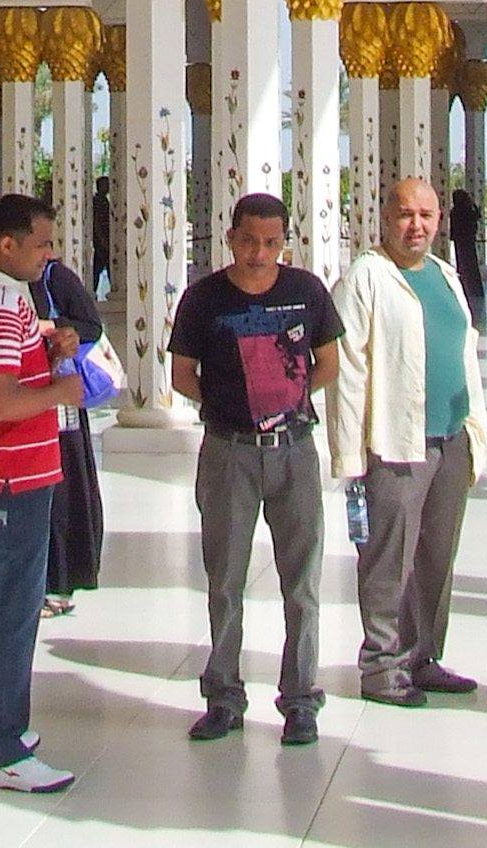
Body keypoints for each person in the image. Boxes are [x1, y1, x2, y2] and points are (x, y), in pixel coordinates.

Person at [168, 192, 342, 748]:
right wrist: (229, 405)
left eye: (270, 243)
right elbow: (181, 374)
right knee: (225, 579)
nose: (258, 254)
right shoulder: (204, 299)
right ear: (230, 238)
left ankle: (300, 699)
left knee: (303, 581)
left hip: (293, 450)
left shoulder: (305, 292)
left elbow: (329, 362)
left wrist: (282, 403)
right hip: (228, 451)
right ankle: (223, 695)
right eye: (248, 241)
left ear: (284, 243)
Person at [327, 178, 487, 706]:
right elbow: (348, 371)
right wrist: (350, 454)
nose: (415, 225)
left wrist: (476, 429)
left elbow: (465, 353)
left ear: (438, 219)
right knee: (388, 557)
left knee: (436, 558)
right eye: (404, 214)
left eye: (425, 215)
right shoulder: (365, 277)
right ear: (384, 217)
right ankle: (382, 667)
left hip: (450, 437)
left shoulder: (444, 275)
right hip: (395, 444)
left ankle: (422, 657)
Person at [0, 192, 84, 792]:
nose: (48, 255)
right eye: (42, 244)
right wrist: (62, 392)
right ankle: (1, 750)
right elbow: (1, 400)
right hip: (13, 471)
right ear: (8, 245)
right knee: (11, 607)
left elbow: (7, 363)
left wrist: (47, 346)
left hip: (1, 468)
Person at [34, 246, 105, 616]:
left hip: (59, 403)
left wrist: (54, 331)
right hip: (20, 401)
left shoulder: (55, 277)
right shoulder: (0, 286)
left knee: (61, 494)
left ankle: (59, 583)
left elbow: (91, 325)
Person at [448, 184, 485, 323]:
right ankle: (475, 289)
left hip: (460, 240)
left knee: (462, 265)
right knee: (471, 264)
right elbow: (477, 217)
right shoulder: (468, 209)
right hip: (468, 239)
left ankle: (465, 289)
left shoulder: (455, 210)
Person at [90, 174, 112, 295]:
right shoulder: (98, 201)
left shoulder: (104, 201)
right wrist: (101, 238)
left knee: (106, 264)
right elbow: (96, 220)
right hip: (101, 239)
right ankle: (93, 290)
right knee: (99, 264)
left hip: (106, 237)